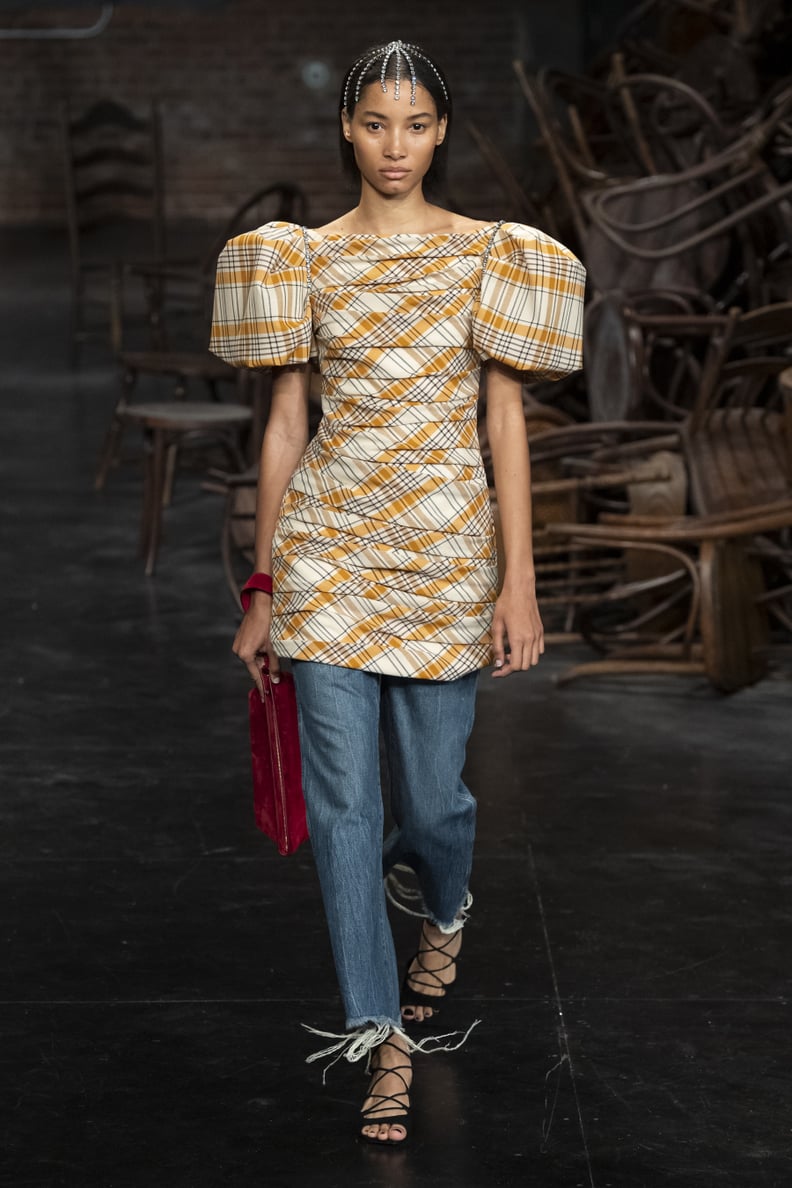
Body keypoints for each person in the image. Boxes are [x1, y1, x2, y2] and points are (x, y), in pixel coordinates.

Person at [210, 38, 585, 1146]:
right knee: (345, 812)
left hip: (445, 557)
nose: (395, 146)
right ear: (346, 127)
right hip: (330, 556)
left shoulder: (488, 256)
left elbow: (505, 424)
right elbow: (284, 426)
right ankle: (382, 1035)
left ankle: (446, 907)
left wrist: (521, 583)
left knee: (431, 805)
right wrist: (268, 585)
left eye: (416, 124)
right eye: (377, 123)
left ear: (442, 131)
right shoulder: (304, 260)